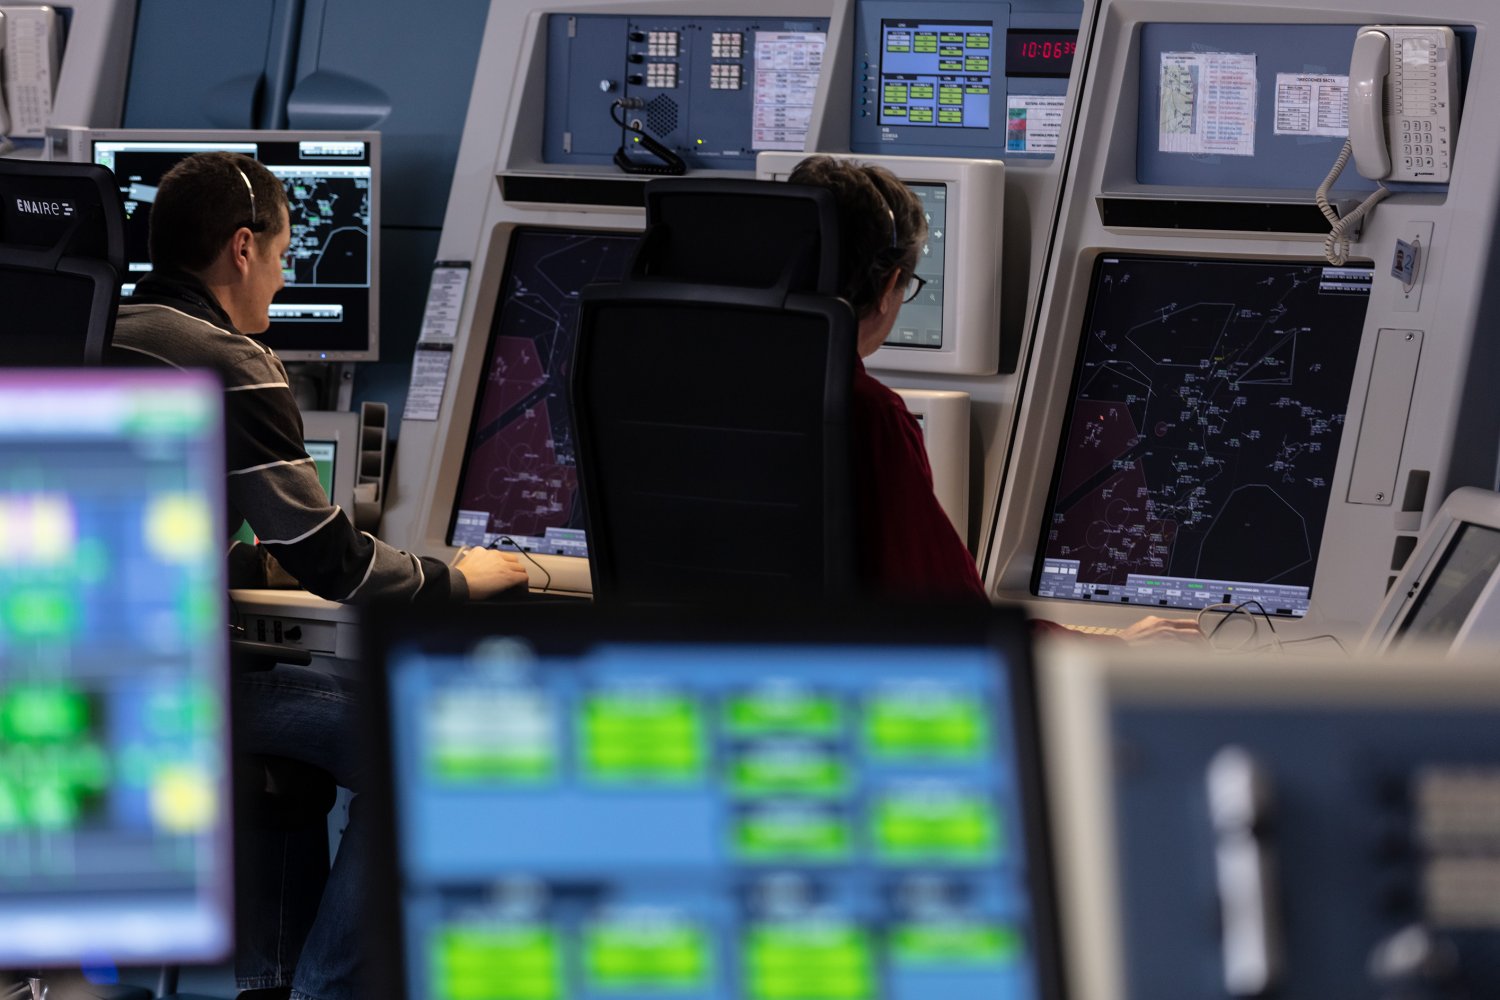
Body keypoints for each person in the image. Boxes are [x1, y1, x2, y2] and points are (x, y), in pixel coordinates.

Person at [108, 152, 525, 1000]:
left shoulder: (95, 328)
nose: (283, 274)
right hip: (172, 693)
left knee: (281, 714)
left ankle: (268, 981)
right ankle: (325, 990)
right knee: (426, 738)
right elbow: (334, 562)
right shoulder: (229, 362)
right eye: (284, 251)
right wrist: (459, 580)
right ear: (241, 249)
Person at [787, 156, 1200, 643]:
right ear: (891, 288)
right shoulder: (864, 411)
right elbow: (956, 625)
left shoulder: (692, 381)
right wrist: (1114, 646)